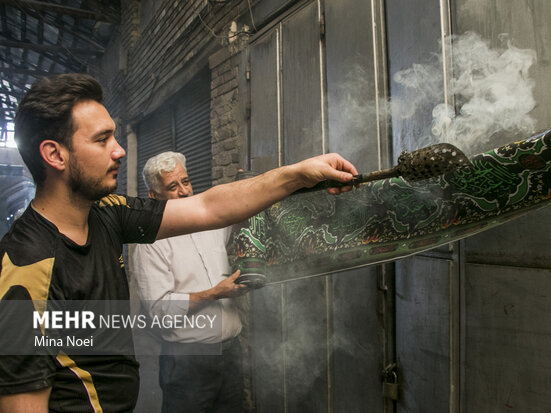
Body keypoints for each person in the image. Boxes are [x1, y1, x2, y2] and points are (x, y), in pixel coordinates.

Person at [0, 73, 357, 413]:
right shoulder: (27, 268)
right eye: (101, 139)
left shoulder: (108, 213)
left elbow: (209, 205)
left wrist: (298, 174)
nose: (119, 150)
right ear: (55, 155)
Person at [130, 151, 246, 412]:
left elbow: (240, 222)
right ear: (154, 196)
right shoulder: (151, 243)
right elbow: (160, 311)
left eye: (186, 181)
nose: (184, 191)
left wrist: (246, 190)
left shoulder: (210, 221)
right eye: (172, 186)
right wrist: (214, 293)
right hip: (187, 361)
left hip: (230, 354)